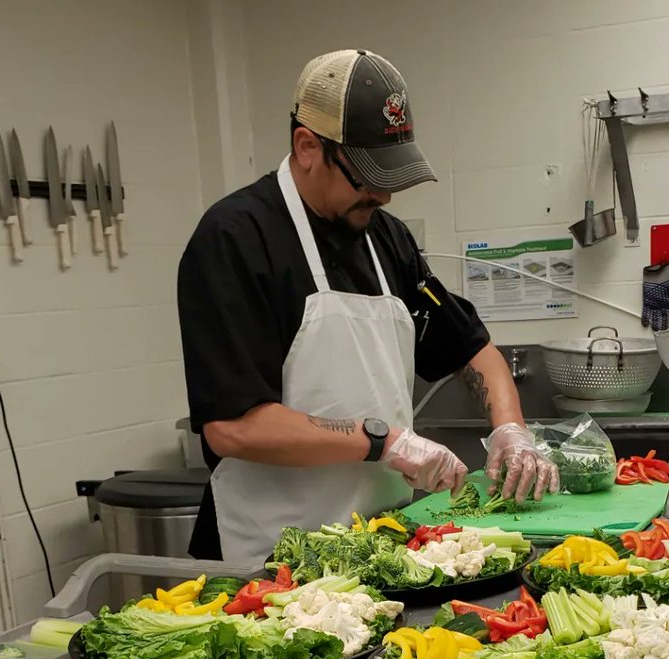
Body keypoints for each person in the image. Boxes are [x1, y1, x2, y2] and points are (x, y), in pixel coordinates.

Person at [178, 48, 557, 563]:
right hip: (272, 558)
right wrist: (384, 442)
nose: (384, 195)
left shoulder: (388, 240)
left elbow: (475, 350)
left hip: (384, 542)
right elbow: (234, 427)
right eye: (367, 175)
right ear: (307, 146)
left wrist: (511, 430)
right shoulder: (235, 238)